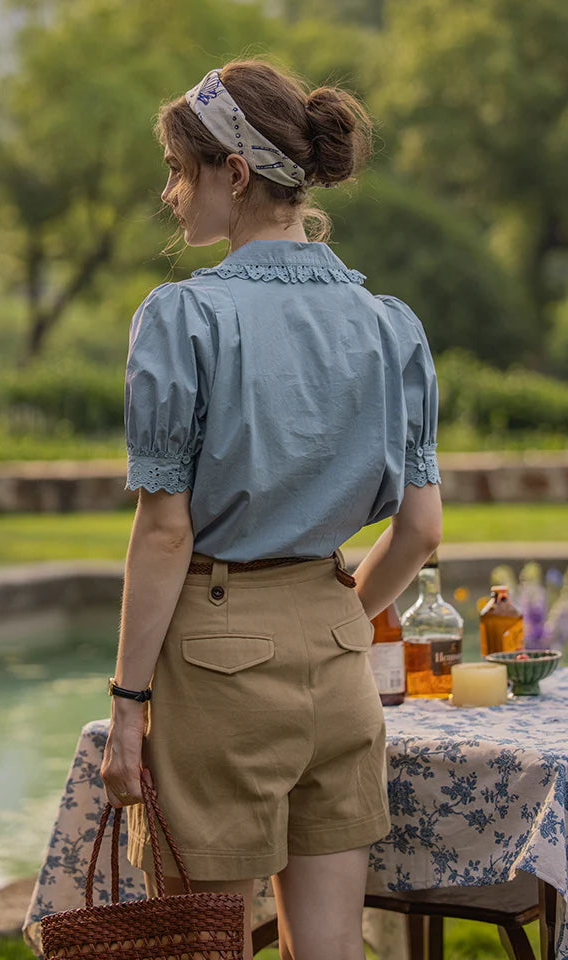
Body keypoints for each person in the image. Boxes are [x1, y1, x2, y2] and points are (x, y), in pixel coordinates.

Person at [100, 57, 443, 960]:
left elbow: (165, 528)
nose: (173, 195)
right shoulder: (390, 326)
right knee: (328, 950)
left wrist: (128, 705)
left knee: (200, 945)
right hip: (340, 663)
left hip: (217, 671)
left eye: (181, 170)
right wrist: (332, 618)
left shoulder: (185, 318)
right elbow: (421, 532)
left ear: (236, 173)